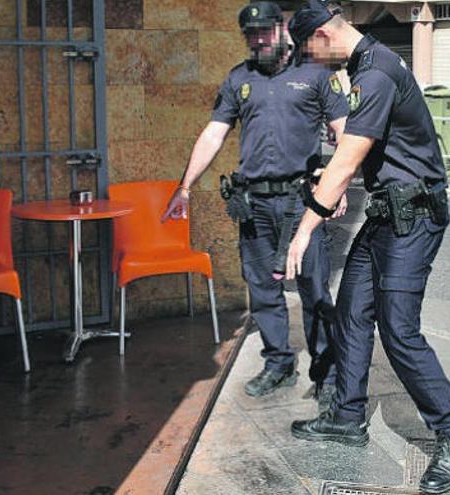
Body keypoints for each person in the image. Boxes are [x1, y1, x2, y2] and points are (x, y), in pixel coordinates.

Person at [282, 2, 450, 493]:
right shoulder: (367, 67)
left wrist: (306, 227)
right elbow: (367, 148)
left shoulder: (378, 72)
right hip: (388, 213)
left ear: (324, 35)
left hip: (415, 217)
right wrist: (339, 175)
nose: (310, 61)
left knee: (398, 330)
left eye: (308, 50)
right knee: (351, 312)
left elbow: (348, 160)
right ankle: (348, 417)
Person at [161, 1, 349, 410]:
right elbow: (214, 133)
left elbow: (345, 133)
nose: (258, 40)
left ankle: (328, 371)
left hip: (302, 202)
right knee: (262, 289)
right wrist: (185, 186)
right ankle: (278, 362)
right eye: (250, 35)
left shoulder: (316, 73)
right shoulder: (238, 79)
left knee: (314, 288)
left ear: (282, 30)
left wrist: (336, 185)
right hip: (254, 203)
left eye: (264, 32)